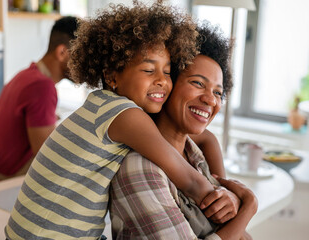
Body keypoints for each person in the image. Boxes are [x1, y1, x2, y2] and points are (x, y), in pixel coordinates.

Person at [5, 1, 220, 239]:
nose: (162, 80)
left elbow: (205, 138)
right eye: (149, 70)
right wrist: (233, 200)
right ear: (111, 76)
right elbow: (190, 182)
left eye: (167, 72)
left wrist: (225, 182)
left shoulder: (103, 106)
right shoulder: (125, 114)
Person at [110, 22, 258, 240]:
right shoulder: (140, 168)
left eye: (218, 92)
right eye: (198, 83)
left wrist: (234, 202)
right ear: (165, 85)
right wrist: (249, 207)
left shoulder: (194, 156)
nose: (210, 100)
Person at [0, 16, 78, 182]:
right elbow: (49, 159)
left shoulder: (25, 75)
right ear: (62, 53)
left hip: (0, 180)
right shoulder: (42, 87)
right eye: (81, 57)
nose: (86, 65)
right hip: (12, 188)